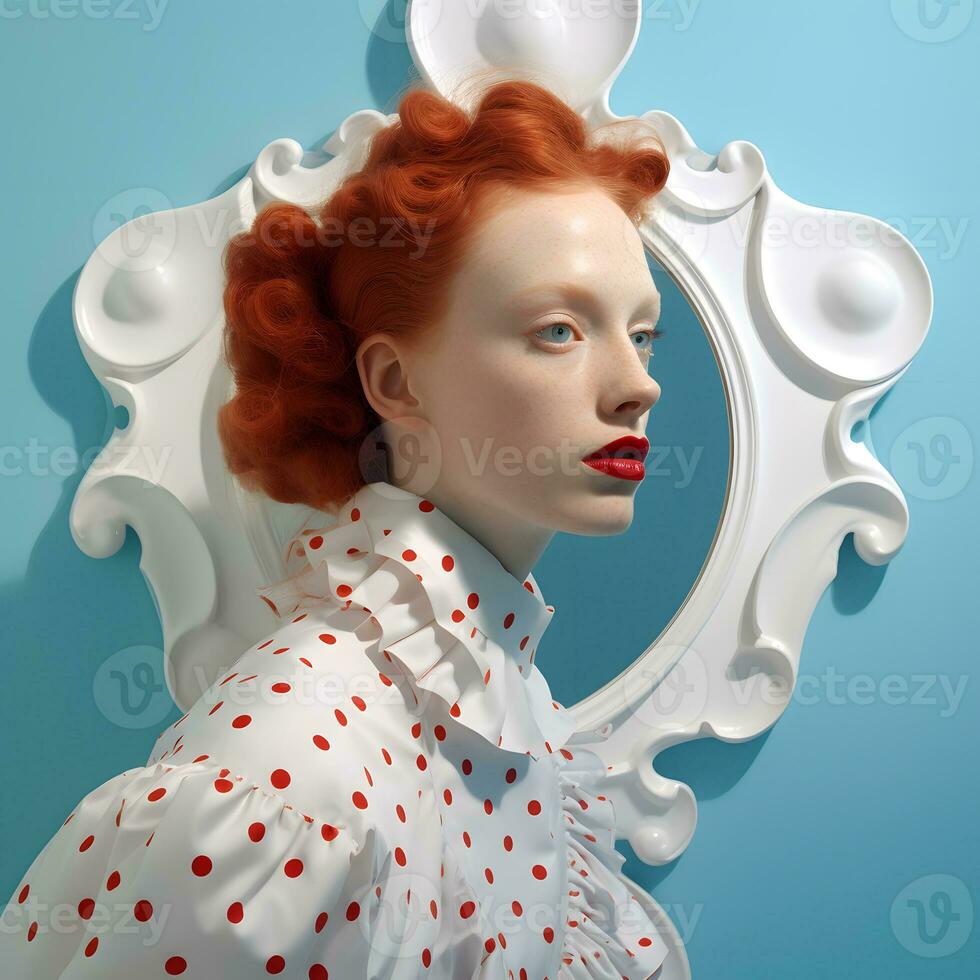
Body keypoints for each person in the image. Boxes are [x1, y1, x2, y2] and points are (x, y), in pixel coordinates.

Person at [1, 74, 670, 978]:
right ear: (396, 384)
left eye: (643, 333)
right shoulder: (289, 768)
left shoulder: (521, 723)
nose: (639, 383)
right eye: (559, 329)